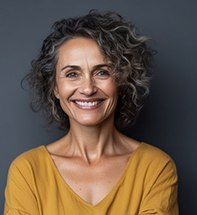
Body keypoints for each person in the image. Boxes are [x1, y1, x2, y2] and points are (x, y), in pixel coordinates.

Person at [4, 10, 178, 215]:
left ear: (122, 81)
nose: (88, 88)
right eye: (72, 74)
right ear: (55, 88)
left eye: (102, 72)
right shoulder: (28, 171)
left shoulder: (155, 168)